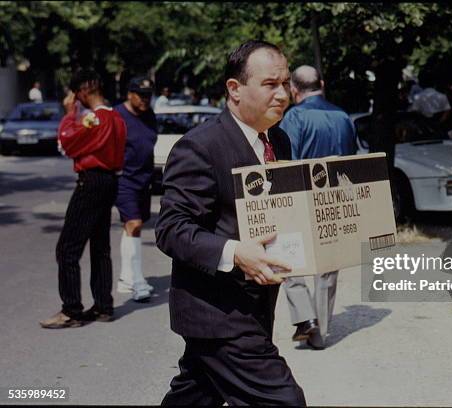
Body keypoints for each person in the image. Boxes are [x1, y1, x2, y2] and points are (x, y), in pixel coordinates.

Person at [155, 40, 306, 406]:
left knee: (195, 394)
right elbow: (171, 227)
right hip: (219, 314)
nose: (283, 94)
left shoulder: (278, 140)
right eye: (270, 84)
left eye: (285, 84)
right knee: (283, 401)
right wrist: (236, 253)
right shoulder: (200, 146)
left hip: (254, 307)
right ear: (234, 90)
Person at [40, 69, 126, 329]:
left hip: (91, 182)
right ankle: (103, 305)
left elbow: (67, 143)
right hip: (110, 180)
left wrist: (69, 114)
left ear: (84, 91)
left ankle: (71, 310)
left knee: (67, 249)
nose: (75, 98)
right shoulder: (118, 118)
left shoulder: (95, 120)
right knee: (100, 245)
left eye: (77, 93)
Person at [279, 65, 357, 350]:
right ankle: (320, 333)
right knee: (327, 268)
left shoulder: (295, 117)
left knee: (289, 261)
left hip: (302, 199)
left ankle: (305, 318)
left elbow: (287, 164)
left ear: (293, 90)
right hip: (336, 200)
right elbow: (352, 162)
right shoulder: (344, 117)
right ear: (322, 84)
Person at [114, 77, 157, 301]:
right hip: (124, 179)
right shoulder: (117, 115)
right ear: (129, 94)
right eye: (141, 95)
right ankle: (138, 281)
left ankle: (125, 278)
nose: (145, 100)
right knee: (134, 224)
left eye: (149, 95)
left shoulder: (149, 116)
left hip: (144, 180)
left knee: (131, 227)